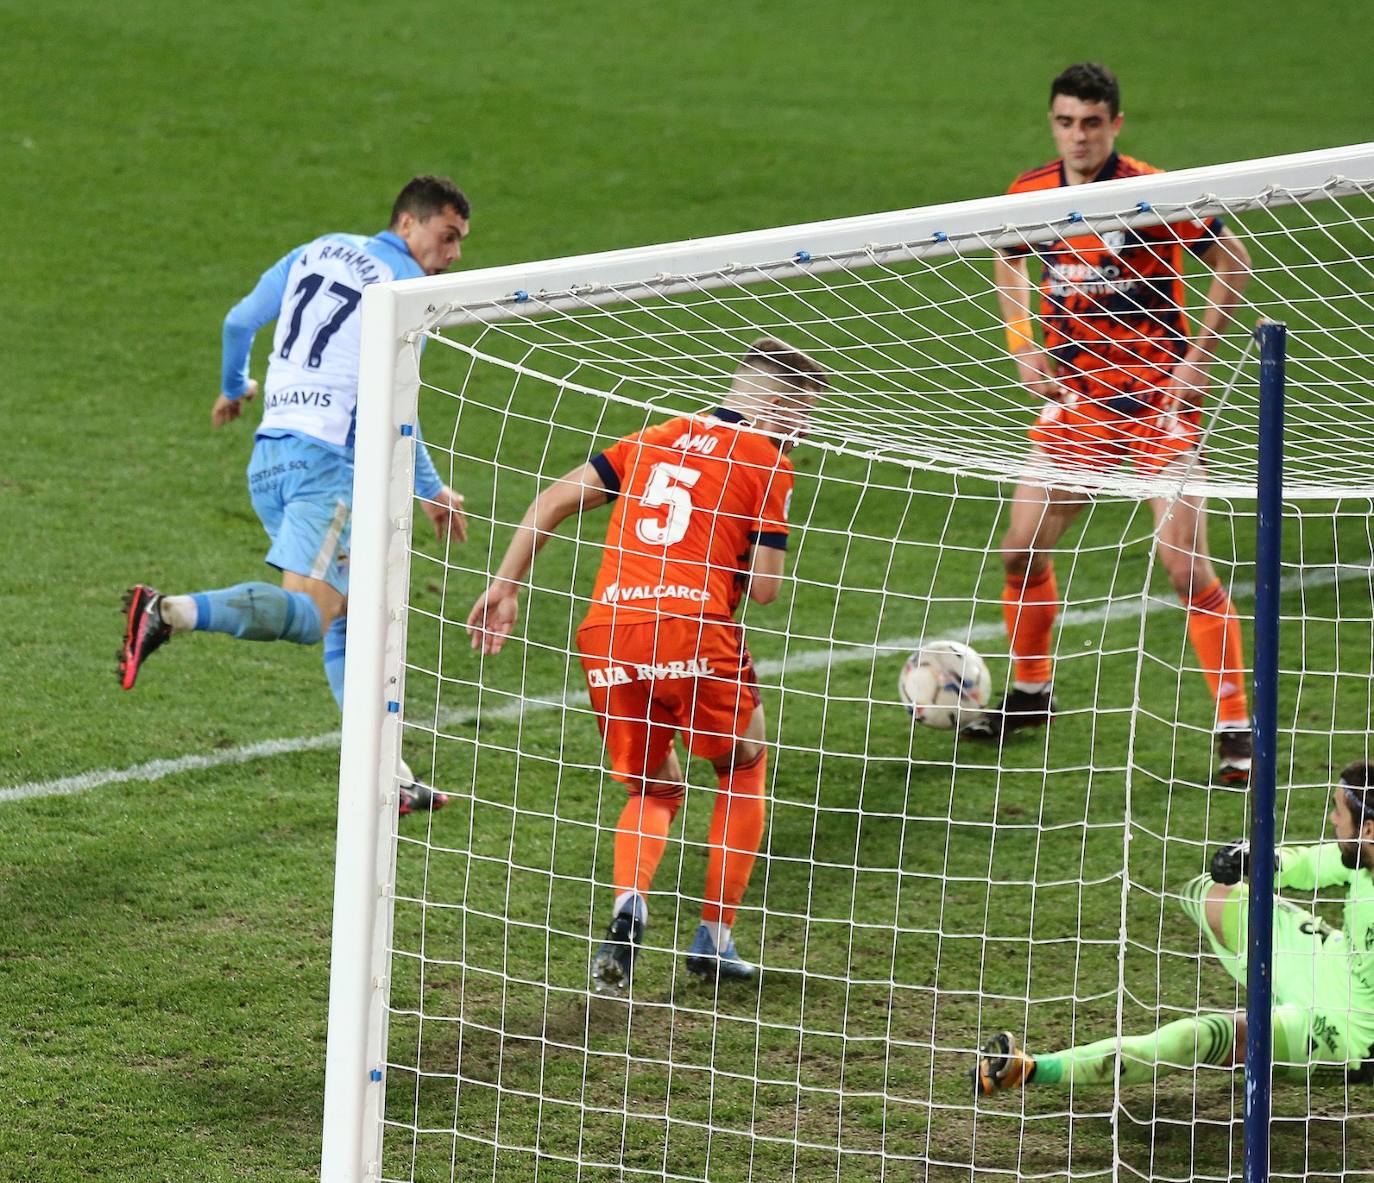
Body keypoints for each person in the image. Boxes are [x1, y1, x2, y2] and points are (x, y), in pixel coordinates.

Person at [465, 337, 827, 995]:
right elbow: (768, 589)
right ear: (774, 404)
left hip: (608, 629)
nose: (804, 434)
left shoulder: (650, 437)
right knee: (743, 759)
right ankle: (715, 934)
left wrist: (506, 584)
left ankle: (627, 911)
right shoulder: (766, 458)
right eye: (802, 417)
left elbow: (551, 499)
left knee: (653, 785)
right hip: (693, 628)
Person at [118, 175, 471, 814]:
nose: (451, 257)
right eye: (446, 239)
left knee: (350, 620)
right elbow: (390, 401)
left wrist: (234, 387)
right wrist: (431, 487)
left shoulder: (318, 249)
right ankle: (167, 610)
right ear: (408, 225)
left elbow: (238, 320)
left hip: (270, 459)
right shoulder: (402, 289)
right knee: (311, 617)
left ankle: (388, 778)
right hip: (327, 468)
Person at [960, 62, 1256, 786]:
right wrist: (1022, 342)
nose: (1078, 136)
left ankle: (1236, 727)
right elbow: (1009, 262)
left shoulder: (1154, 191)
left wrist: (1197, 361)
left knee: (1185, 565)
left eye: (1092, 123)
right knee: (1021, 549)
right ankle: (1032, 694)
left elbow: (1234, 262)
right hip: (1081, 401)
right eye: (1065, 122)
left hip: (1158, 399)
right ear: (1052, 123)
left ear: (1115, 124)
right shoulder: (1031, 192)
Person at [972, 760, 1374, 1095]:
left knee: (1197, 1039)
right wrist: (1256, 858)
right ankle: (1266, 992)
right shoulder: (1360, 855)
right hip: (1331, 962)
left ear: (1368, 829)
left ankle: (1032, 1068)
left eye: (1339, 811)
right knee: (1215, 893)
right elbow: (1309, 863)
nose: (1332, 819)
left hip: (1343, 1033)